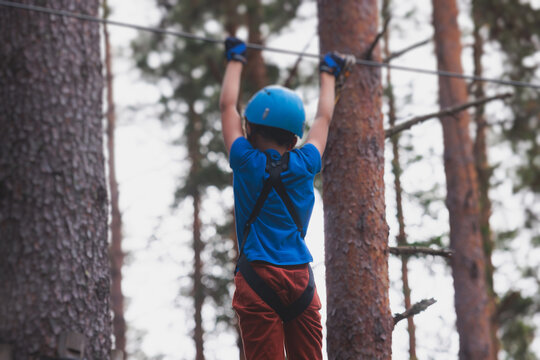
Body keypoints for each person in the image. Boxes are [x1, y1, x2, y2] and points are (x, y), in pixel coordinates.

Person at [219, 36, 346, 360]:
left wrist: (236, 58)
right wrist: (328, 73)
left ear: (253, 131)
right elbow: (323, 119)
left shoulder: (246, 161)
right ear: (293, 136)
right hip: (301, 280)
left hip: (257, 279)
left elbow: (226, 107)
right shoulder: (305, 162)